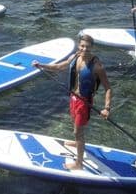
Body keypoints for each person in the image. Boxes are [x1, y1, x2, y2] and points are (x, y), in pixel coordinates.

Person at [32, 34, 112, 171]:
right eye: (82, 46)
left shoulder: (97, 66)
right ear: (78, 46)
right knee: (75, 126)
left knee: (78, 132)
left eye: (87, 47)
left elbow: (108, 88)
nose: (84, 49)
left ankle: (79, 164)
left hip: (84, 102)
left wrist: (107, 108)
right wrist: (41, 65)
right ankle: (77, 143)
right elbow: (59, 67)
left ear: (92, 47)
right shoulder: (75, 56)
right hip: (73, 98)